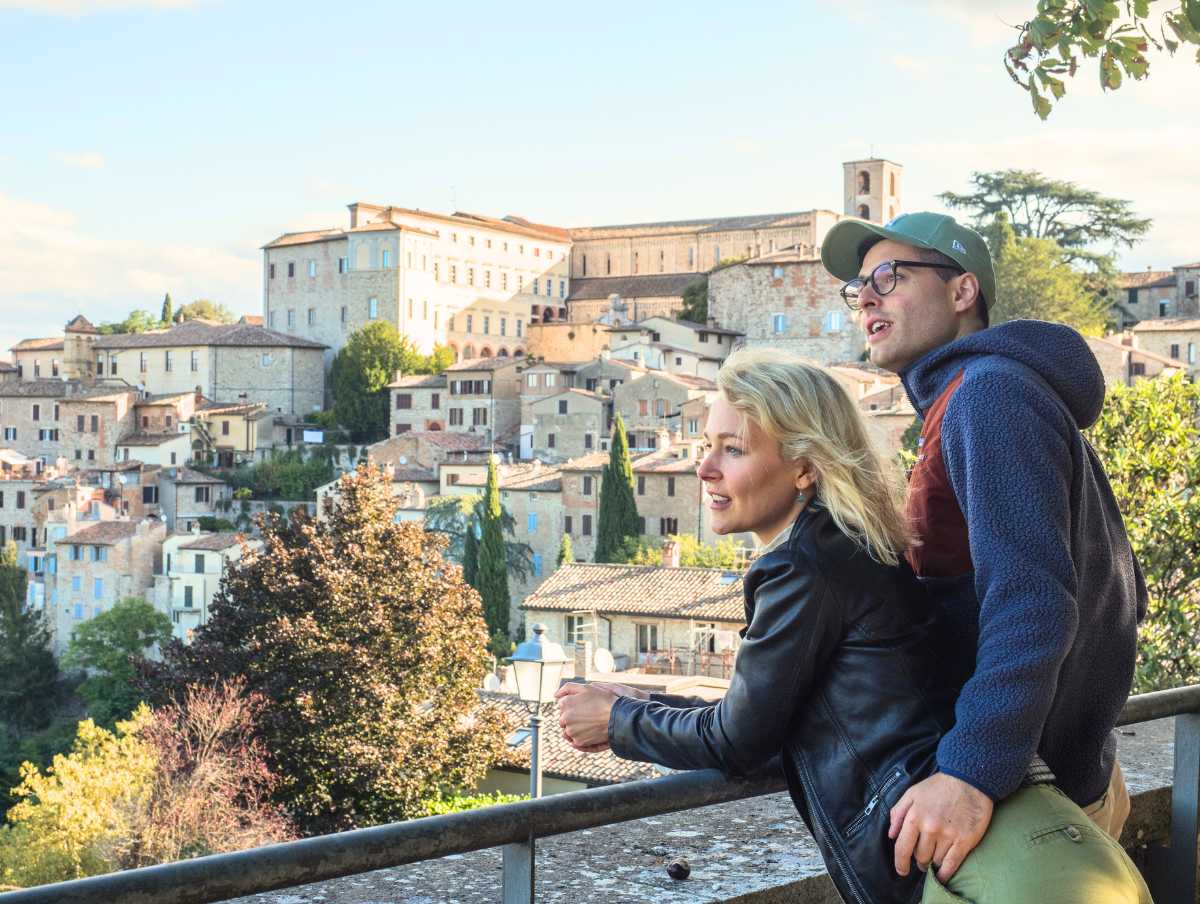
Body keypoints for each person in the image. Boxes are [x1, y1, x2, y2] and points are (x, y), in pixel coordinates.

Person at [557, 348, 1150, 904]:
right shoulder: (855, 547)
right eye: (705, 444)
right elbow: (780, 711)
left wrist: (617, 721)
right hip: (1036, 843)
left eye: (733, 449)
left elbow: (740, 740)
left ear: (804, 468)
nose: (704, 468)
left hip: (963, 867)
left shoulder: (802, 565)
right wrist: (642, 699)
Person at [818, 212, 1147, 884]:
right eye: (858, 289)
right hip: (1057, 774)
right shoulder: (983, 395)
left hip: (1026, 795)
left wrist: (971, 771)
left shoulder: (988, 396)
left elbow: (1031, 602)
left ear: (962, 292)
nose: (868, 299)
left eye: (890, 275)